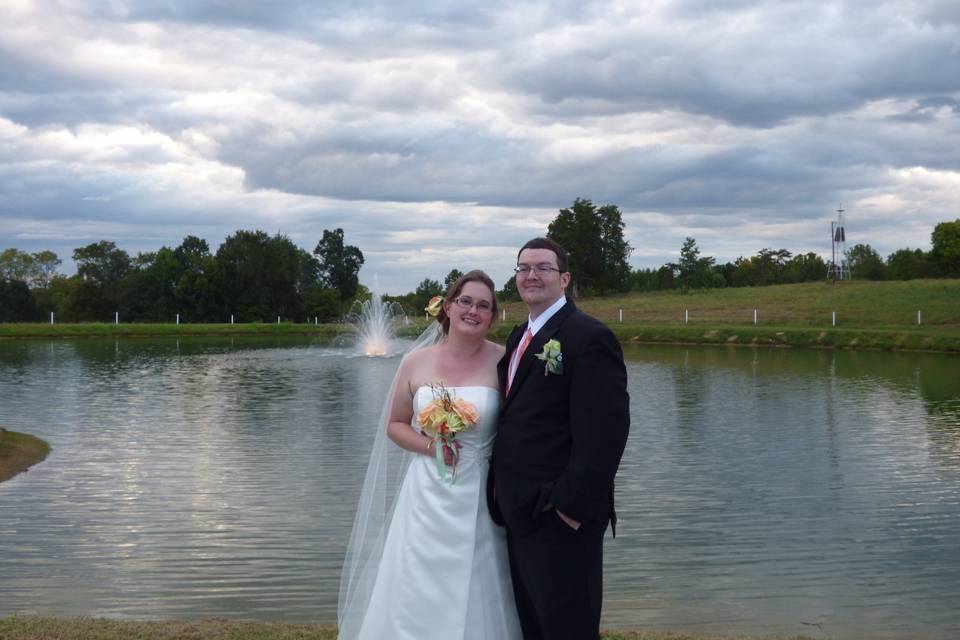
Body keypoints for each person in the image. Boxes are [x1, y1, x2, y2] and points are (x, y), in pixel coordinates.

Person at [338, 270, 523, 640]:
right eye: (466, 301)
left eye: (484, 305)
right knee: (416, 577)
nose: (473, 310)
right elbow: (395, 424)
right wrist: (431, 445)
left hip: (482, 493)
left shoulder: (506, 363)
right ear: (448, 306)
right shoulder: (415, 362)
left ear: (492, 315)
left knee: (481, 577)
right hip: (426, 492)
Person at [488, 237, 630, 640]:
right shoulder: (519, 336)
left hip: (560, 517)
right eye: (523, 268)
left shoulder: (588, 336)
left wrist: (569, 506)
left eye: (543, 268)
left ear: (564, 278)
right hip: (518, 511)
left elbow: (607, 430)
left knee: (569, 629)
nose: (531, 275)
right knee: (534, 626)